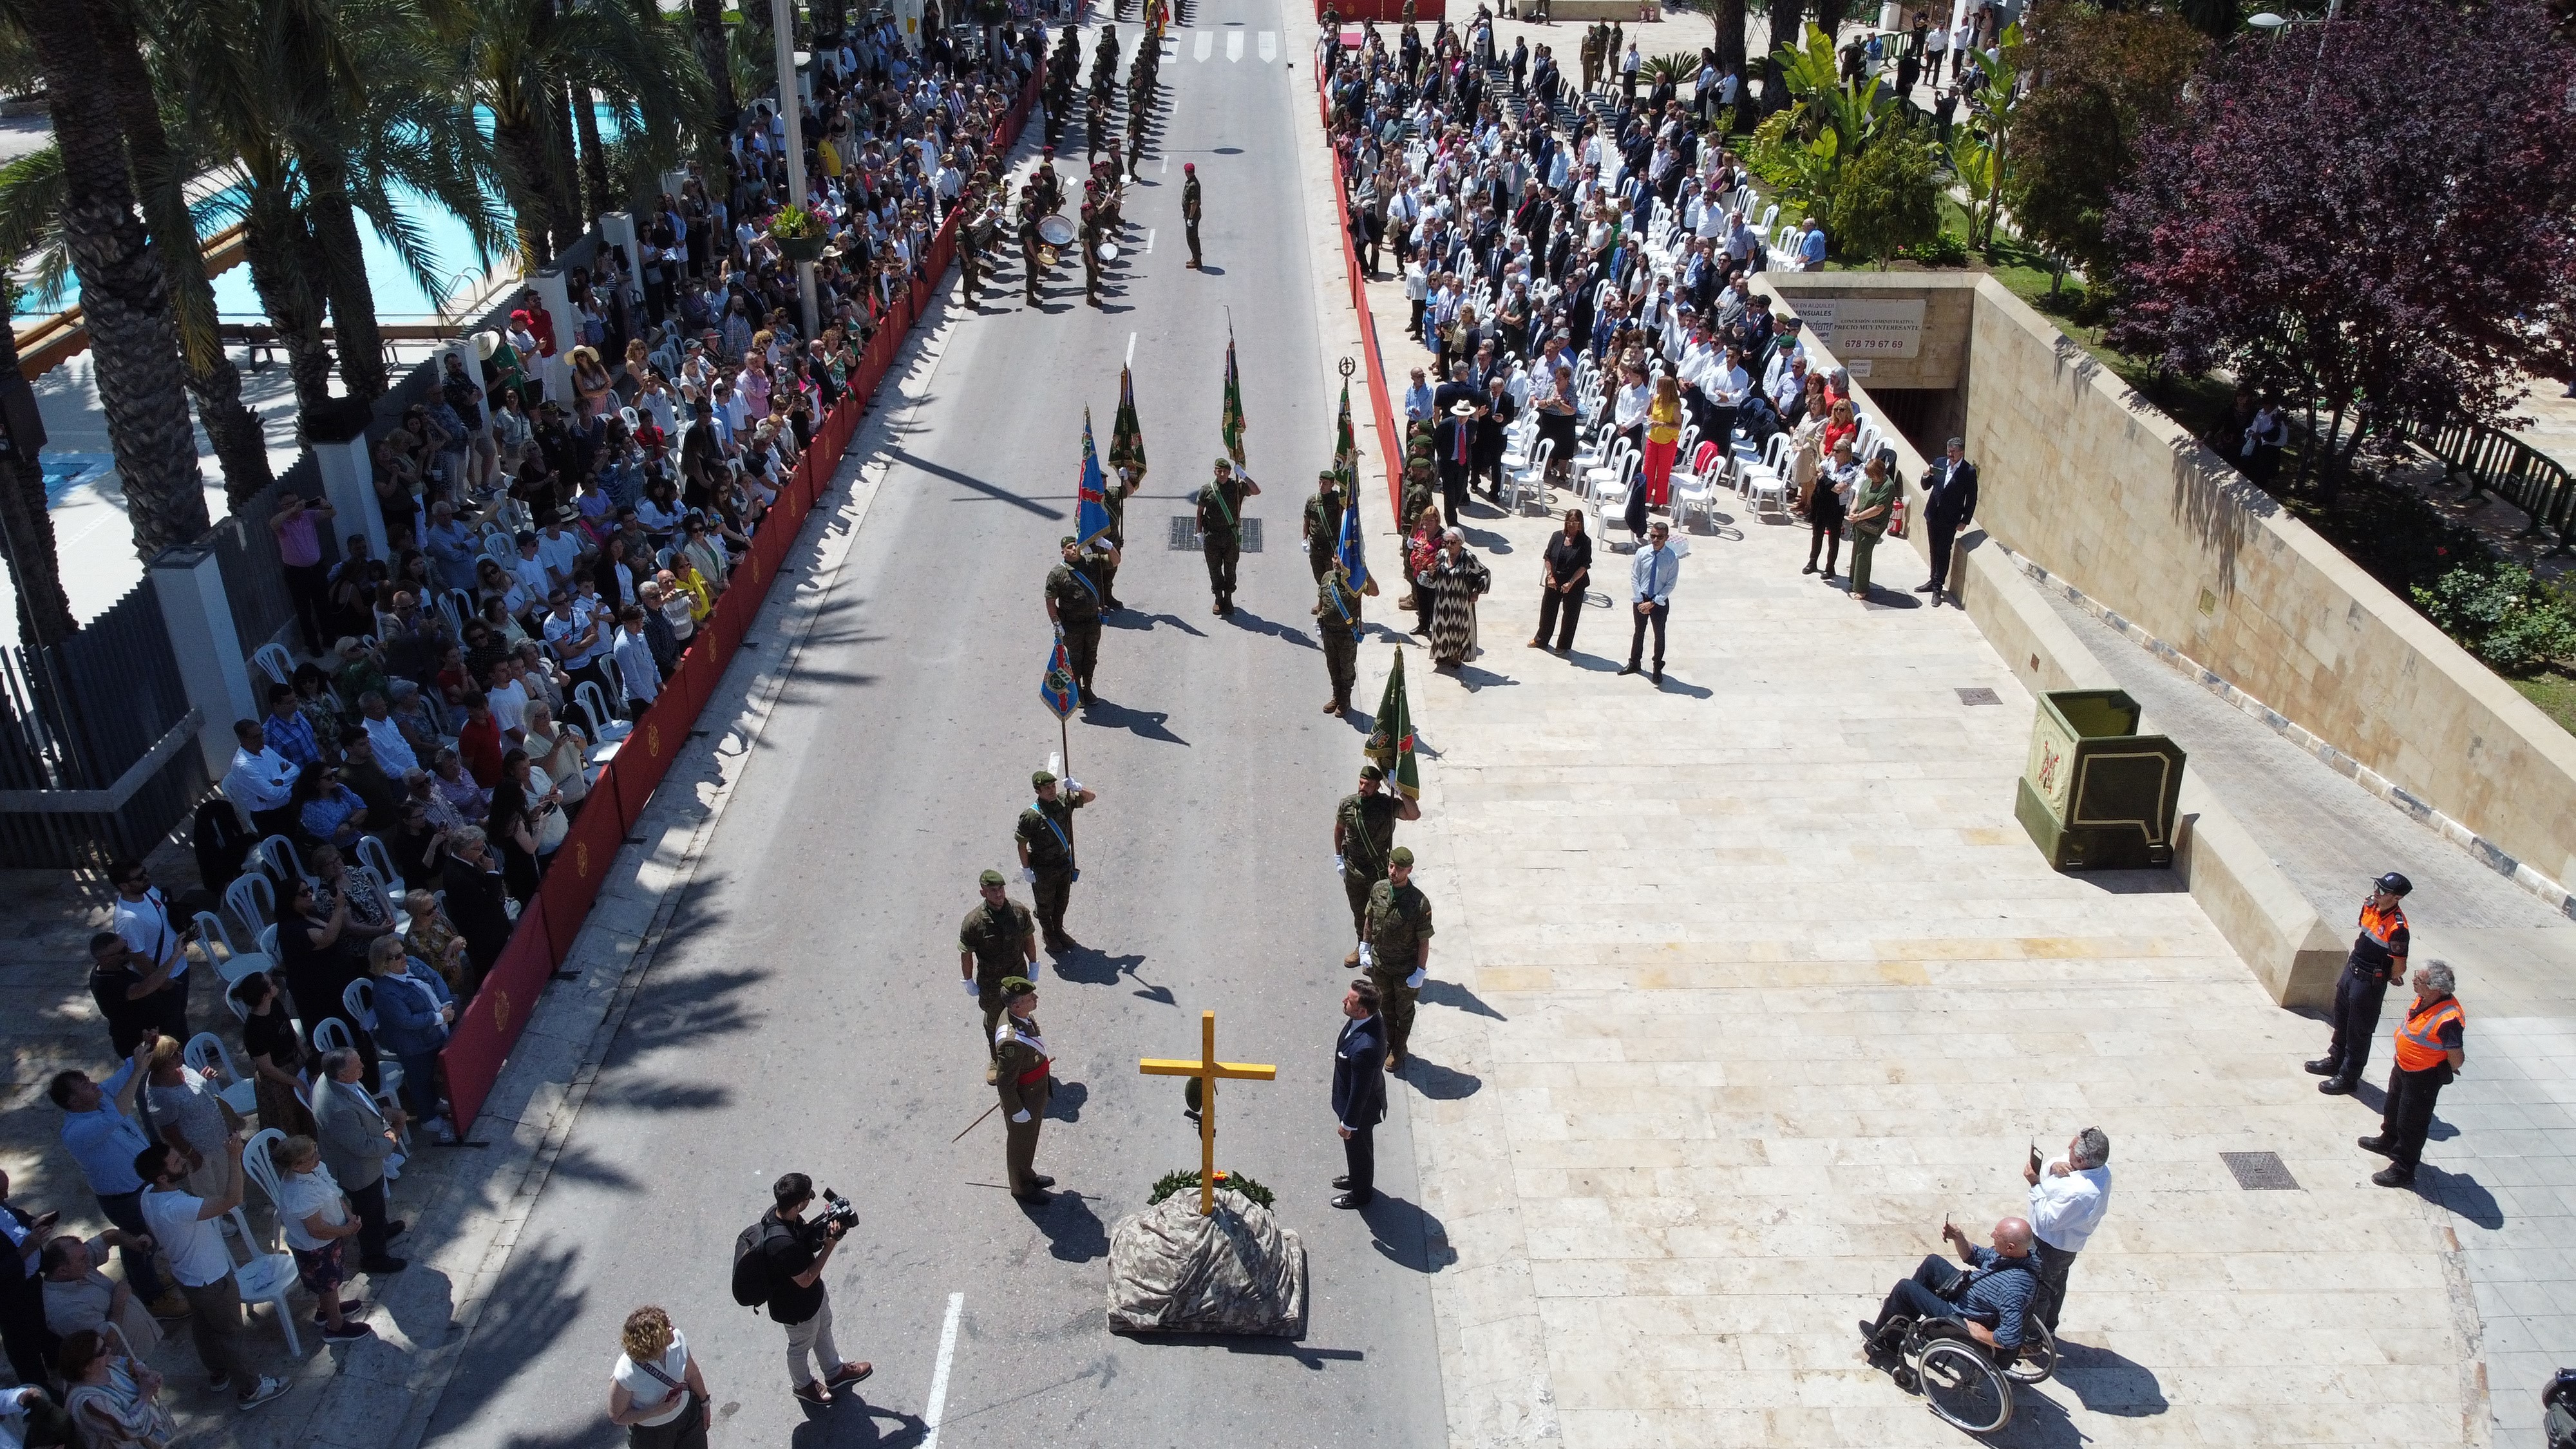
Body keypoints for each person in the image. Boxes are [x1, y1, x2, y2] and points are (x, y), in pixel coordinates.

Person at [135, 1139, 292, 1409]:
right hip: (212, 1279)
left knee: (204, 1326)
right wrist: (233, 1157)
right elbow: (233, 1200)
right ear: (162, 1177)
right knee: (231, 1334)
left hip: (186, 1276)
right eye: (175, 1162)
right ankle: (251, 1389)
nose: (182, 1161)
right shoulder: (176, 1207)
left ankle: (218, 1372)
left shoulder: (148, 1194)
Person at [43, 1049, 177, 1315]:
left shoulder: (99, 1097)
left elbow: (127, 1071)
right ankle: (153, 1298)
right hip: (125, 1198)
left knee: (150, 1239)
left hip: (141, 1186)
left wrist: (146, 1048)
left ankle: (148, 1282)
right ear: (72, 1102)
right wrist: (138, 1072)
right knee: (139, 1243)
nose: (93, 1083)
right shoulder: (76, 1132)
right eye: (84, 1085)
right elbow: (118, 1113)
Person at [752, 1173, 871, 1406]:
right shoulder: (781, 1243)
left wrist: (824, 1232)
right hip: (796, 1307)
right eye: (809, 1197)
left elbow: (804, 1239)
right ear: (798, 1204)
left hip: (813, 1297)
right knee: (800, 1346)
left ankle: (835, 1372)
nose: (812, 1199)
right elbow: (806, 1278)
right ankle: (802, 1385)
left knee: (823, 1328)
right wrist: (830, 1245)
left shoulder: (783, 1215)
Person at [1859, 1216, 2041, 1359]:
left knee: (1905, 1288)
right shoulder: (2017, 1255)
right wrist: (1958, 1237)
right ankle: (1901, 1320)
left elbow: (2010, 1337)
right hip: (1965, 1290)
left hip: (1958, 1314)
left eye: (1997, 1236)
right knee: (1932, 1263)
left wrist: (1982, 1334)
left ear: (2010, 1247)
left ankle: (1884, 1342)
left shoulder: (2013, 1288)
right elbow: (1975, 1256)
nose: (1992, 1236)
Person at [2360, 961, 2467, 1187]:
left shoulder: (2449, 1019)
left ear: (2436, 988)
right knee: (2393, 1108)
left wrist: (2442, 1067)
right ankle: (2388, 1140)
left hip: (2423, 1078)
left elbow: (2457, 1058)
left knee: (2412, 1124)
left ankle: (2403, 1169)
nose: (2414, 980)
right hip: (2403, 1067)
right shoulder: (2426, 998)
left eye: (2419, 979)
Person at [2308, 872, 2412, 1095]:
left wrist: (2388, 976)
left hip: (2369, 981)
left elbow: (2399, 967)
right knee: (2342, 1018)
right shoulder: (2370, 907)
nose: (2377, 891)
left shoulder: (2398, 928)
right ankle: (2335, 1059)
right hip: (2352, 970)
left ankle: (2348, 1076)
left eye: (2384, 890)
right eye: (2377, 886)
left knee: (2359, 1030)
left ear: (2397, 898)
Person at [310, 1048, 408, 1274]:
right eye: (357, 1066)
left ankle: (381, 1229)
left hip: (363, 1159)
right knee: (369, 1209)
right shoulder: (337, 1108)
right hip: (356, 1170)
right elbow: (362, 1147)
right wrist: (392, 1137)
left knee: (376, 1207)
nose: (363, 1066)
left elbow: (365, 1105)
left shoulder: (335, 1078)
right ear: (343, 1075)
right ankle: (374, 1256)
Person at [267, 1135, 372, 1342]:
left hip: (331, 1238)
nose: (319, 1156)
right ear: (297, 1166)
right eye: (313, 1154)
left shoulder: (315, 1168)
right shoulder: (300, 1193)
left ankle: (326, 1310)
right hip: (316, 1247)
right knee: (327, 1283)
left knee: (329, 1283)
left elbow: (333, 1193)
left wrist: (349, 1217)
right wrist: (347, 1231)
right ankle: (335, 1327)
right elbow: (316, 1230)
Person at [366, 936, 458, 1142]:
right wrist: (439, 1017)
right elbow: (406, 1020)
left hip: (441, 1023)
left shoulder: (412, 963)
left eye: (403, 951)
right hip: (415, 1043)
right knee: (421, 1079)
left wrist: (447, 1004)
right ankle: (428, 1117)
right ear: (384, 963)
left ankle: (439, 1101)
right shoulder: (385, 991)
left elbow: (435, 978)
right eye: (398, 956)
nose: (405, 957)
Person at [2022, 1127, 2110, 1336]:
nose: (2067, 1149)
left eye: (2071, 1148)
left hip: (2051, 1245)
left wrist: (2035, 1183)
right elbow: (2058, 1162)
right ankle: (2049, 1329)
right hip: (2066, 1246)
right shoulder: (2098, 1169)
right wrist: (2053, 1166)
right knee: (2057, 1283)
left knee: (2040, 1290)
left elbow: (2046, 1219)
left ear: (2081, 1160)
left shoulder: (2081, 1193)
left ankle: (2034, 1339)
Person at [1359, 848, 1434, 1074]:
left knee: (1404, 1012)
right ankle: (1390, 1042)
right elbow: (1370, 919)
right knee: (1385, 1008)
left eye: (1399, 869)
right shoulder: (1379, 889)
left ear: (1409, 870)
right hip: (1381, 965)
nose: (1393, 872)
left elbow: (1423, 941)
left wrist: (1420, 971)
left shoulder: (1419, 903)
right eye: (1391, 866)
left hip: (1405, 971)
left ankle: (1399, 1048)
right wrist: (1365, 947)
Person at [959, 869, 1040, 1078]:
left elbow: (1028, 939)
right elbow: (966, 954)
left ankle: (1026, 1055)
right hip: (991, 984)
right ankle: (998, 1060)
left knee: (1021, 1016)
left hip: (1018, 977)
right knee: (995, 1022)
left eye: (1001, 888)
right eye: (993, 890)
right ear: (983, 892)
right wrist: (968, 981)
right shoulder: (973, 922)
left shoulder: (1019, 912)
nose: (999, 894)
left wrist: (1034, 965)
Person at [1335, 764, 1420, 954]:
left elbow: (1414, 814)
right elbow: (1339, 828)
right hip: (1353, 869)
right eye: (1361, 782)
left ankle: (1378, 953)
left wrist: (1399, 789)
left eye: (1369, 784)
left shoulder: (1386, 805)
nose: (1363, 787)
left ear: (1378, 786)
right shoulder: (1348, 804)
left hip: (1378, 870)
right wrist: (1338, 856)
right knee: (1359, 912)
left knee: (1380, 914)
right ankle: (1362, 948)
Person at [104, 859, 189, 1043]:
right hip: (165, 977)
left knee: (180, 1016)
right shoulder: (128, 920)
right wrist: (164, 984)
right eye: (139, 877)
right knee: (170, 1028)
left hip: (179, 967)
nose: (146, 878)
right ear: (124, 886)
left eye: (144, 872)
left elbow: (165, 916)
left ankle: (190, 1049)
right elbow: (138, 958)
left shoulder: (148, 891)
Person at [143, 1036, 234, 1199]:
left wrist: (203, 1078)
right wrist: (193, 1156)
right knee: (207, 1189)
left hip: (216, 1135)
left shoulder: (176, 1068)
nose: (180, 1055)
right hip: (199, 1149)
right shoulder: (161, 1096)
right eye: (173, 1055)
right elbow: (169, 1133)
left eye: (177, 1050)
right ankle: (215, 1222)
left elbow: (189, 1092)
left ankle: (229, 1207)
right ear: (161, 1064)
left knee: (224, 1174)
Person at [39, 1232, 160, 1355]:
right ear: (63, 1271)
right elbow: (107, 1341)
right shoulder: (67, 1311)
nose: (88, 1259)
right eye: (83, 1259)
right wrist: (119, 1301)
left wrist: (133, 1241)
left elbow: (108, 1238)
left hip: (144, 1339)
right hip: (131, 1359)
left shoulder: (76, 1266)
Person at [609, 1305, 712, 1448]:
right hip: (651, 1435)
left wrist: (705, 1404)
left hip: (688, 1419)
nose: (672, 1328)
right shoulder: (627, 1371)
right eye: (666, 1328)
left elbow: (692, 1374)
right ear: (653, 1343)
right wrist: (656, 1411)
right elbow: (617, 1416)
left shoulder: (677, 1339)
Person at [55, 1328, 178, 1448]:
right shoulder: (89, 1402)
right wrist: (145, 1393)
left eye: (104, 1343)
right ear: (86, 1366)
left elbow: (128, 1363)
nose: (109, 1349)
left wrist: (145, 1373)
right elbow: (130, 1430)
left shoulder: (107, 1365)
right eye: (102, 1350)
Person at [1017, 772, 1097, 952]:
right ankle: (1048, 933)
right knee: (1045, 906)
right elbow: (1022, 843)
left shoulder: (1064, 801)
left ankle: (1058, 930)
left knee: (1062, 901)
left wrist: (1077, 787)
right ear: (1038, 791)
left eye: (1053, 786)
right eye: (1046, 788)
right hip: (1044, 869)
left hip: (1063, 864)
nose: (1052, 791)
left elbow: (1091, 797)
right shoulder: (1032, 816)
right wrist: (1026, 869)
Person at [993, 978, 1056, 1204]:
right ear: (1017, 1005)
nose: (1036, 999)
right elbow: (1005, 1083)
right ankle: (1021, 1188)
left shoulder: (1019, 1017)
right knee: (1020, 1146)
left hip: (1034, 1094)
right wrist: (1017, 1110)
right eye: (1031, 998)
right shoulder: (1011, 1043)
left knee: (1029, 1142)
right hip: (1024, 1100)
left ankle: (1028, 1175)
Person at [1331, 978, 1390, 1210]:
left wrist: (1349, 1123)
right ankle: (1357, 1179)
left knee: (1360, 1152)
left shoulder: (1366, 1047)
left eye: (1350, 1001)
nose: (1344, 1001)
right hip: (1354, 1102)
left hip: (1359, 1112)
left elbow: (1360, 1091)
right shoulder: (1370, 1018)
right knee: (1356, 1151)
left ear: (1362, 1011)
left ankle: (1362, 1193)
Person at [236, 971, 316, 1138]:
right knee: (287, 1123)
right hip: (277, 1078)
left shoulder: (275, 1005)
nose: (275, 983)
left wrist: (309, 1062)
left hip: (295, 1064)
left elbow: (292, 1035)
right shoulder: (254, 1030)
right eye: (271, 983)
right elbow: (267, 1068)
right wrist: (296, 1082)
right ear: (265, 995)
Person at [0, 1173, 56, 1394]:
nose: (5, 1196)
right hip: (9, 1299)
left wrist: (33, 1222)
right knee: (23, 1346)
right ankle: (39, 1394)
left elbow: (13, 1217)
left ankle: (55, 1362)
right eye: (1, 1191)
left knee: (45, 1327)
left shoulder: (1, 1203)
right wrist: (25, 1251)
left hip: (32, 1283)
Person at [1043, 536, 1111, 705]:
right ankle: (1077, 692)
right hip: (1071, 626)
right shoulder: (1057, 574)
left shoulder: (1090, 562)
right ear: (1063, 551)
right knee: (1075, 659)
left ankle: (1087, 688)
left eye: (1075, 546)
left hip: (1092, 622)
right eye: (1070, 547)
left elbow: (1115, 561)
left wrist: (1107, 545)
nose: (1074, 549)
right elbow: (1050, 601)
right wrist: (1056, 623)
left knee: (1091, 657)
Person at [1194, 457, 1259, 615]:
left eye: (1225, 471)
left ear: (1230, 473)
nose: (1222, 474)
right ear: (1215, 471)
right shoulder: (1206, 490)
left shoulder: (1236, 488)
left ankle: (1228, 597)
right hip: (1212, 536)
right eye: (1219, 471)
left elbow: (1256, 490)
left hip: (1230, 535)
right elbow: (1199, 512)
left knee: (1231, 568)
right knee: (1214, 568)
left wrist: (1243, 475)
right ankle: (1218, 597)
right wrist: (1198, 532)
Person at [1419, 528, 1490, 669]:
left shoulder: (1468, 557)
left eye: (1452, 543)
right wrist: (1432, 572)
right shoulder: (1441, 554)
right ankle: (1443, 652)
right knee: (1442, 626)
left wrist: (1477, 592)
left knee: (1459, 628)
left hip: (1460, 600)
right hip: (1443, 599)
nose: (1449, 546)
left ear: (1460, 542)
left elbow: (1485, 573)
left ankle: (1457, 656)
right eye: (1446, 543)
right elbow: (1434, 579)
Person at [1917, 437, 1978, 603]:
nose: (1950, 455)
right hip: (1933, 514)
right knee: (1933, 549)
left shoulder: (1968, 472)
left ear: (1962, 452)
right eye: (1948, 451)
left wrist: (1965, 520)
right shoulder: (1939, 463)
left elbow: (1971, 498)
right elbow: (1926, 486)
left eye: (1953, 452)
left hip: (1950, 518)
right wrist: (1926, 476)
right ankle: (1932, 579)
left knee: (1943, 551)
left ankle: (1938, 587)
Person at [1620, 520, 1679, 684]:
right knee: (1639, 631)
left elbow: (1670, 584)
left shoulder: (1672, 557)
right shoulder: (1642, 553)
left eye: (1659, 537)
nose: (1655, 540)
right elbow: (1635, 576)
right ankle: (1635, 662)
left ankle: (1657, 667)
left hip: (1658, 602)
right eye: (1652, 536)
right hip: (1641, 598)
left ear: (1666, 538)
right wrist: (1640, 599)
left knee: (1659, 635)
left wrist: (1653, 603)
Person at [1530, 508, 1591, 654]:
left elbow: (1585, 565)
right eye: (1569, 522)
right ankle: (1541, 639)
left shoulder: (1585, 542)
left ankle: (1563, 645)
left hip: (1575, 583)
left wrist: (1571, 582)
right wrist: (1550, 576)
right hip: (1554, 580)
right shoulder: (1557, 536)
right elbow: (1547, 557)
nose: (1571, 525)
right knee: (1547, 611)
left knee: (1570, 614)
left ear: (1580, 524)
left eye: (1575, 522)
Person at [1316, 560, 1367, 715]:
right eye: (1335, 558)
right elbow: (1321, 599)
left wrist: (1364, 568)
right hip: (1329, 632)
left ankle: (1345, 700)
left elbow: (1375, 591)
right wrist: (1319, 619)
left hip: (1346, 635)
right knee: (1333, 666)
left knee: (1346, 669)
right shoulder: (1327, 577)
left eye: (1342, 559)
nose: (1337, 562)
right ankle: (1336, 696)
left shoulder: (1355, 580)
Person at [1844, 455, 1899, 601]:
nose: (1870, 477)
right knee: (1857, 549)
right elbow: (1859, 496)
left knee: (1864, 553)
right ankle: (1854, 581)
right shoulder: (1869, 481)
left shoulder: (1888, 486)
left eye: (1872, 475)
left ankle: (1861, 588)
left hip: (1873, 524)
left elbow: (1878, 508)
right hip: (1860, 520)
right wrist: (1853, 510)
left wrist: (1859, 517)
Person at [1302, 471, 1346, 583]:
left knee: (1331, 580)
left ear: (1332, 484)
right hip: (1315, 547)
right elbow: (1307, 520)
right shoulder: (1312, 500)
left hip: (1330, 548)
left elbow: (1348, 498)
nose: (1322, 486)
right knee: (1319, 579)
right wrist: (1304, 539)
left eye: (1325, 483)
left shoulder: (1337, 500)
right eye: (1320, 483)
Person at [1182, 160, 1204, 269]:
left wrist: (1190, 218)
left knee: (1192, 238)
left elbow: (1194, 203)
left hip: (1193, 216)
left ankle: (1197, 261)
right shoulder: (1191, 182)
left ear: (1188, 172)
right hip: (1189, 215)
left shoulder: (1193, 185)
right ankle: (1195, 258)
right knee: (1191, 237)